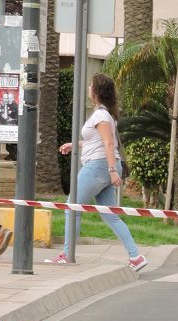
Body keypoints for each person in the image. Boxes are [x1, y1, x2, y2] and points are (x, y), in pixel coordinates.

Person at [51, 73, 145, 270]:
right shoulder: (104, 114)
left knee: (72, 207)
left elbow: (109, 143)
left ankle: (67, 254)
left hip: (98, 167)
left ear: (96, 91)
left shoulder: (101, 115)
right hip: (103, 166)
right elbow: (96, 142)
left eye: (90, 85)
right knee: (110, 215)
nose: (88, 88)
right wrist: (75, 144)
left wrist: (112, 171)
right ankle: (135, 257)